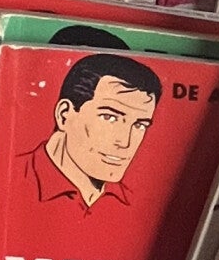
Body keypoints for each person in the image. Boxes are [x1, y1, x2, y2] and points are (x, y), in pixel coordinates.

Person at [24, 50, 163, 213]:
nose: (125, 142)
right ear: (64, 114)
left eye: (139, 125)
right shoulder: (11, 177)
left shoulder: (140, 204)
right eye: (109, 117)